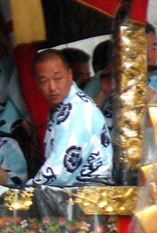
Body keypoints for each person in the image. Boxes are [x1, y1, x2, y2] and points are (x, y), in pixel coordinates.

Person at [29, 50, 112, 187]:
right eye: (44, 81)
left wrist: (25, 191)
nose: (52, 87)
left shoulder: (77, 109)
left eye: (58, 79)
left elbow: (59, 172)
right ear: (36, 83)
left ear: (69, 75)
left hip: (89, 195)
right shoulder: (65, 106)